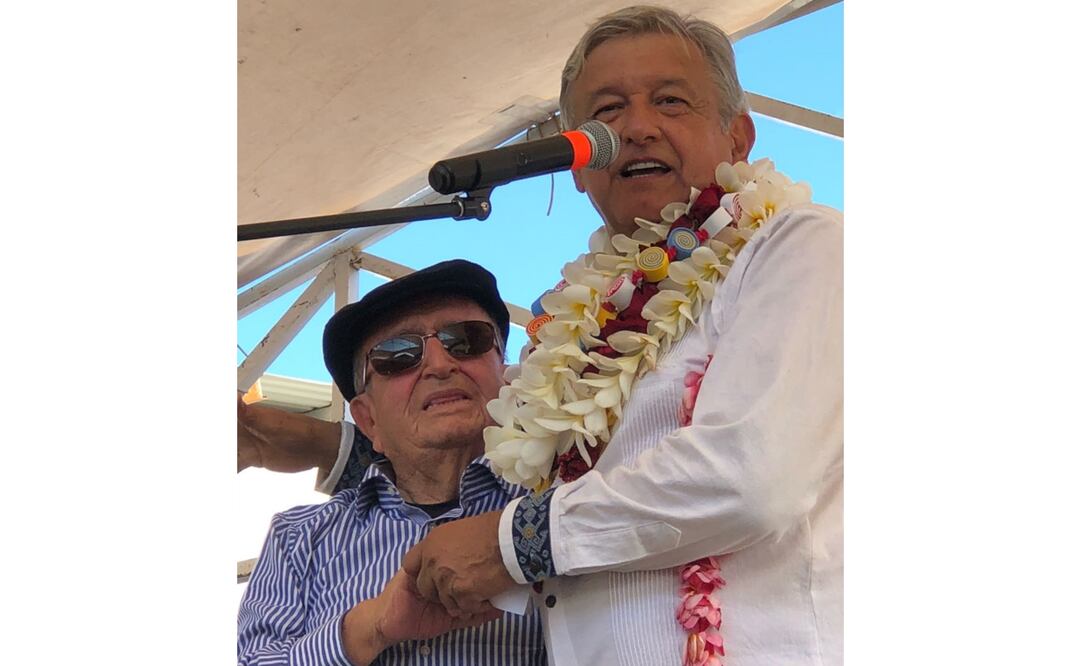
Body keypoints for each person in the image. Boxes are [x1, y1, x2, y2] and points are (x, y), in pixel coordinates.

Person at [396, 7, 843, 666]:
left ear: (737, 136)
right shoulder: (571, 331)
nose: (634, 128)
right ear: (578, 163)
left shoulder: (800, 245)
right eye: (605, 114)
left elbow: (752, 476)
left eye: (670, 101)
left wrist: (516, 544)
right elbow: (460, 453)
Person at [237, 260, 547, 666]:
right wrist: (368, 628)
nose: (439, 365)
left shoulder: (563, 500)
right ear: (367, 420)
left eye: (466, 339)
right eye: (398, 355)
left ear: (506, 375)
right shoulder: (298, 540)